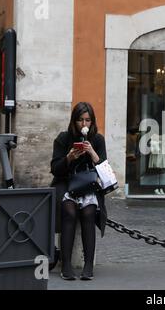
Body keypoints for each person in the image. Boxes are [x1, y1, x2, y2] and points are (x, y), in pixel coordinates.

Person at [50, 102, 107, 281]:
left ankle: (88, 265)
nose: (84, 124)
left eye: (88, 120)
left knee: (89, 212)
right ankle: (66, 264)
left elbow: (104, 168)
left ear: (92, 121)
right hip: (66, 183)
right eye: (80, 120)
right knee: (69, 210)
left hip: (87, 184)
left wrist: (92, 153)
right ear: (74, 122)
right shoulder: (63, 138)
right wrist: (68, 157)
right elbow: (55, 169)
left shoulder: (98, 139)